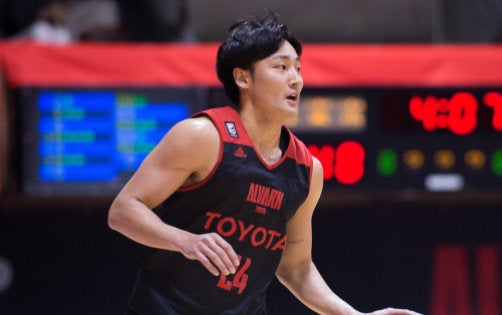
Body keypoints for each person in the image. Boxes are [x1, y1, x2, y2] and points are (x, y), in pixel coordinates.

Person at [108, 12, 421, 315]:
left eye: (297, 69)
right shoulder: (202, 136)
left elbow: (296, 267)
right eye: (281, 67)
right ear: (243, 77)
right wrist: (185, 241)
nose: (295, 80)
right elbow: (124, 210)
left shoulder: (308, 169)